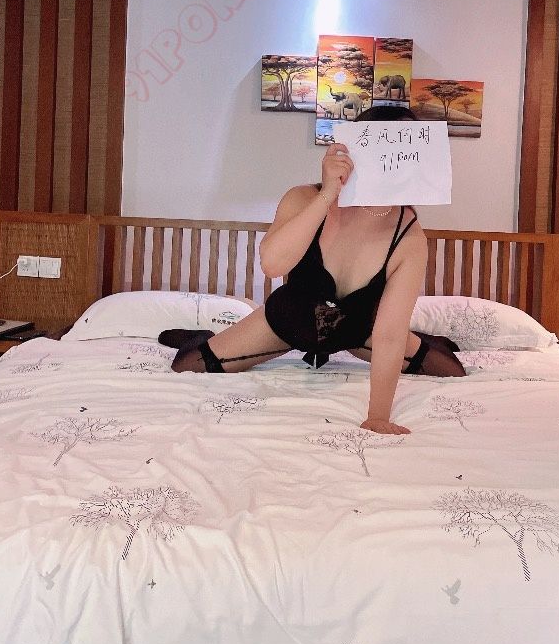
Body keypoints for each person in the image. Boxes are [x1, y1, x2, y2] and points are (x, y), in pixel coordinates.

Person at [166, 105, 465, 434]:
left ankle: (430, 340)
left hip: (358, 330)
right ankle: (202, 336)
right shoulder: (302, 197)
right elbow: (272, 264)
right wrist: (328, 194)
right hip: (289, 321)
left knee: (451, 369)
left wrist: (378, 416)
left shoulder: (409, 236)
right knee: (189, 364)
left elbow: (390, 334)